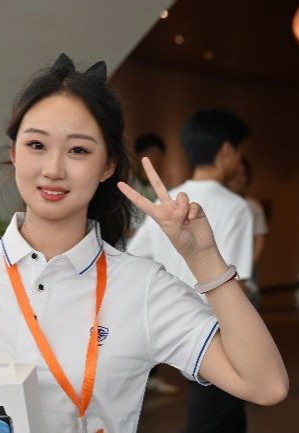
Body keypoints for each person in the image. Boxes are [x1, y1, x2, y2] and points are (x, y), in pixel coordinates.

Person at [0, 55, 288, 433]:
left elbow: (265, 385)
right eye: (36, 145)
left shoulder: (142, 288)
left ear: (107, 165)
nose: (53, 169)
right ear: (15, 153)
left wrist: (203, 258)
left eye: (78, 150)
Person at [128, 109, 256, 433]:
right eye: (239, 151)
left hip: (176, 330)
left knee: (228, 419)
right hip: (219, 336)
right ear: (226, 150)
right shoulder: (237, 207)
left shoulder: (169, 203)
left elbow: (133, 257)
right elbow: (235, 284)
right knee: (213, 419)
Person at [130, 133, 177, 394]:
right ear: (139, 156)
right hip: (128, 258)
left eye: (160, 158)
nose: (156, 162)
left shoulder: (160, 189)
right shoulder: (128, 184)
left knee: (152, 320)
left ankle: (153, 376)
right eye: (152, 156)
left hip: (150, 264)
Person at [227, 157, 269, 308]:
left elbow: (259, 237)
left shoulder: (253, 206)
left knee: (249, 307)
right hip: (223, 264)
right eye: (235, 174)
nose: (239, 179)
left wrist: (251, 262)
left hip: (247, 266)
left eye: (243, 174)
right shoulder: (220, 203)